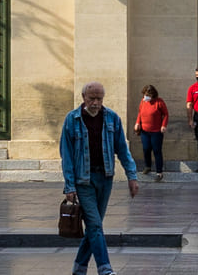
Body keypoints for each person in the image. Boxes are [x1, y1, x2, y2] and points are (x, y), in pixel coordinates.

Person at [59, 81, 139, 275]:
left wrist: (132, 175)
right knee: (94, 224)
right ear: (83, 98)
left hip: (105, 178)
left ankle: (79, 268)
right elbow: (66, 155)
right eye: (92, 98)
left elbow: (122, 149)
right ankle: (105, 269)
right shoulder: (72, 119)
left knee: (95, 227)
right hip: (83, 181)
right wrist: (69, 186)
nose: (95, 103)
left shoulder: (112, 118)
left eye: (99, 99)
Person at [134, 83, 168, 181]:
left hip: (156, 131)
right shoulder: (143, 102)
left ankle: (159, 172)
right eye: (145, 95)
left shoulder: (159, 102)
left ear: (153, 95)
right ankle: (147, 166)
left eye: (148, 95)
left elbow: (165, 114)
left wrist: (163, 125)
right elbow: (140, 113)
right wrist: (137, 123)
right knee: (146, 149)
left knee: (157, 151)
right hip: (145, 130)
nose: (146, 97)